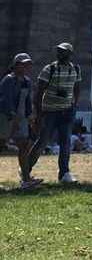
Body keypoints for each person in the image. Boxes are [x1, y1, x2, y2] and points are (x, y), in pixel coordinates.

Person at [22, 42, 81, 185]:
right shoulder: (50, 69)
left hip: (67, 111)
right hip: (50, 112)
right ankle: (25, 171)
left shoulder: (75, 69)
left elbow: (77, 87)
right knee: (43, 142)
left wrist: (74, 104)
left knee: (66, 142)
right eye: (59, 51)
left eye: (63, 51)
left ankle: (64, 173)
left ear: (69, 54)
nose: (60, 53)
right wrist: (39, 113)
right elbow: (39, 91)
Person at [0, 53, 42, 189]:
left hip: (22, 118)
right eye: (23, 64)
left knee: (23, 147)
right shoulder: (8, 80)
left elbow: (28, 102)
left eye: (27, 64)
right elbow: (5, 100)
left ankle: (26, 179)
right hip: (6, 117)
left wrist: (30, 117)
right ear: (16, 65)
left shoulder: (27, 82)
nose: (25, 67)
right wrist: (13, 117)